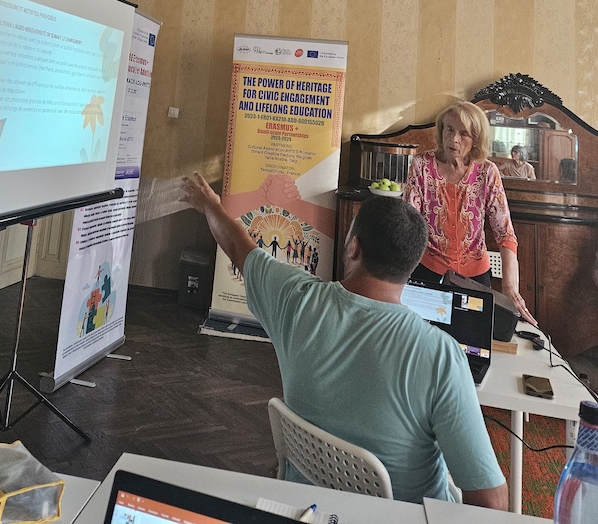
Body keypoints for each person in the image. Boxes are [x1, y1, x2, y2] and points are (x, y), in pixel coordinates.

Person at [180, 172, 508, 509]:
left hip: (308, 505)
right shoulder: (441, 355)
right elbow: (490, 501)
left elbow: (238, 246)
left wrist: (211, 205)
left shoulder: (294, 298)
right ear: (411, 265)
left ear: (353, 247)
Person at [404, 101, 536, 325]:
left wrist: (510, 287)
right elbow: (409, 224)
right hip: (428, 271)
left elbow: (505, 232)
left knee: (473, 340)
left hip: (475, 278)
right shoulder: (422, 166)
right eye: (449, 129)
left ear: (476, 138)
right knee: (426, 338)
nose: (454, 139)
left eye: (463, 133)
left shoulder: (487, 172)